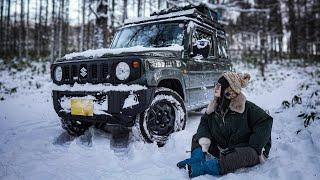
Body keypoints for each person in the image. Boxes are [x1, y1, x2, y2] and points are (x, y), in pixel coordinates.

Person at [177, 72, 273, 178]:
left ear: (230, 92)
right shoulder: (216, 107)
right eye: (217, 91)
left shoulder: (247, 108)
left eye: (221, 91)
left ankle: (205, 167)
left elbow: (265, 121)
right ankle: (197, 158)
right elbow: (204, 123)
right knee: (198, 136)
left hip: (243, 148)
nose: (218, 95)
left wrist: (254, 146)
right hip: (224, 146)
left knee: (246, 154)